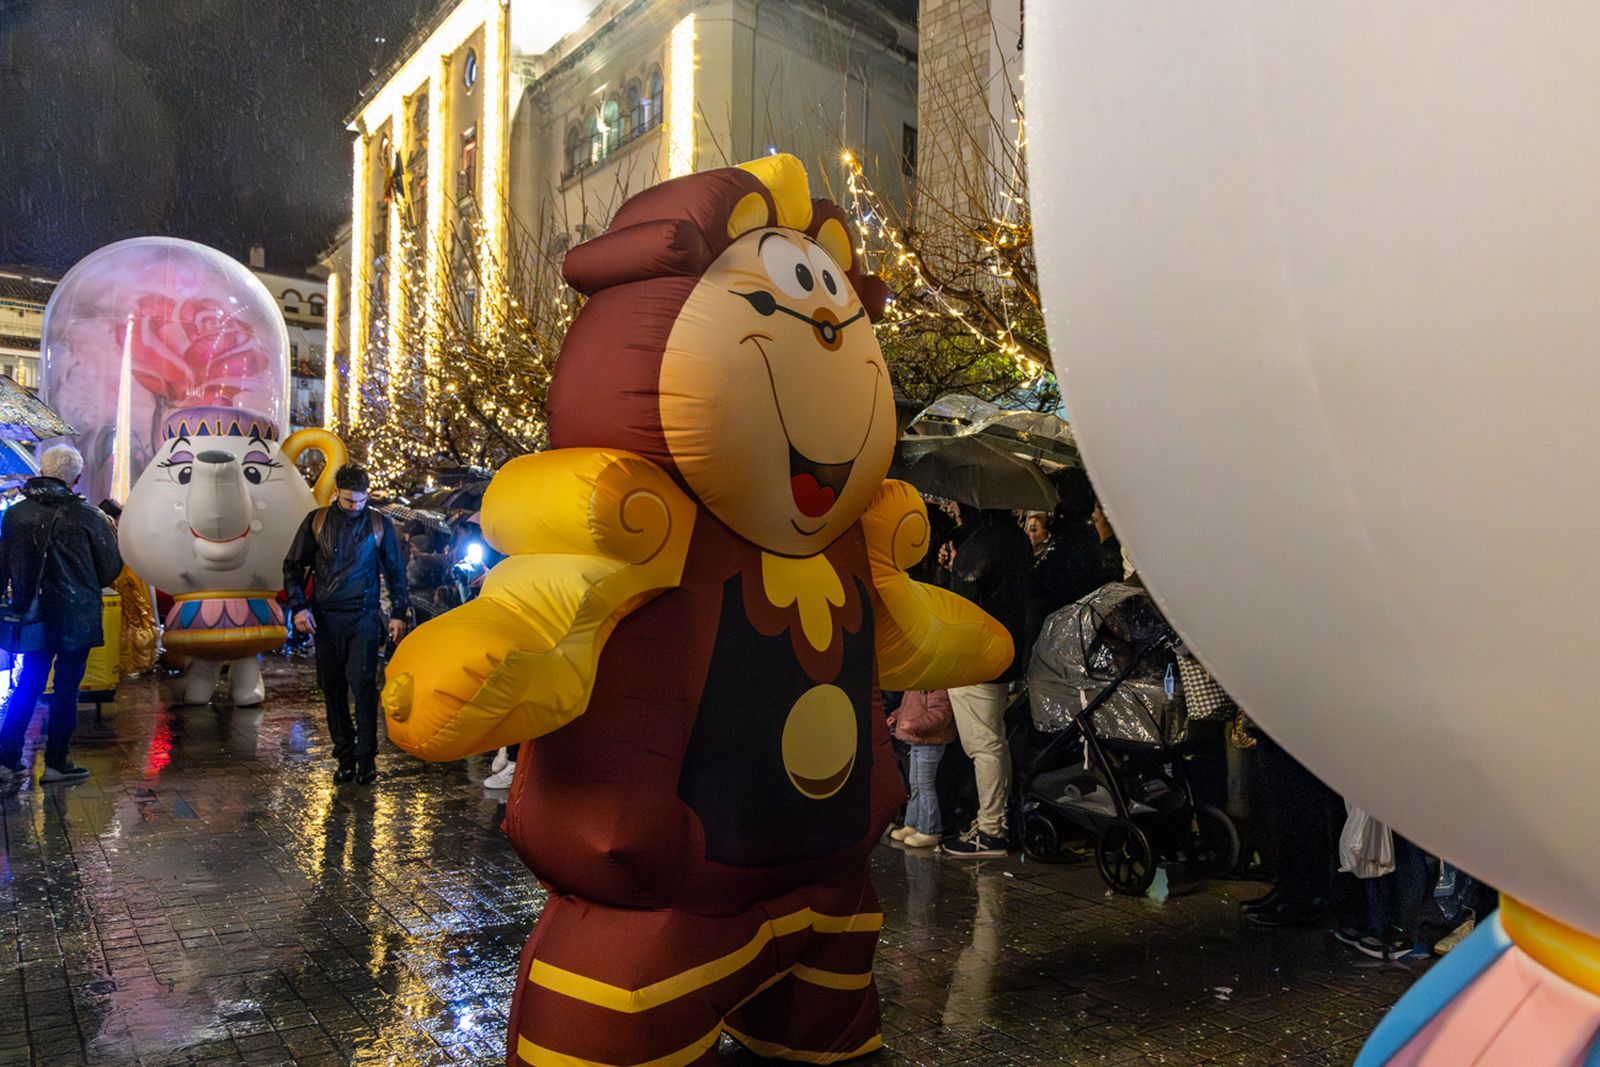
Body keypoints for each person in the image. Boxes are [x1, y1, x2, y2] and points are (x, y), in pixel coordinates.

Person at [0, 445, 122, 789]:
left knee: (28, 686)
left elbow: (2, 568)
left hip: (32, 614)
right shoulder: (89, 517)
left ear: (41, 469)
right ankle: (56, 764)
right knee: (66, 690)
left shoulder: (15, 515)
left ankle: (6, 761)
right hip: (76, 618)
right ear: (77, 478)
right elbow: (109, 570)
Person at [282, 465, 409, 786]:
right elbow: (293, 565)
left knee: (364, 687)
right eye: (349, 501)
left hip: (363, 616)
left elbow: (396, 571)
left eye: (361, 501)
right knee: (332, 688)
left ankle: (366, 759)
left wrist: (399, 612)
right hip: (325, 618)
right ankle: (345, 757)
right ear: (336, 492)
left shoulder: (379, 523)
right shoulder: (317, 521)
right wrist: (298, 607)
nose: (355, 507)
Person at [939, 506, 1032, 857]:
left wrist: (952, 569)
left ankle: (991, 829)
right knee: (995, 741)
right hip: (1005, 652)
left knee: (984, 744)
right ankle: (996, 821)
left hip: (974, 658)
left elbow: (961, 605)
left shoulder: (980, 543)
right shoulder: (1018, 539)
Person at [887, 688, 955, 848]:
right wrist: (896, 716)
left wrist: (914, 725)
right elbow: (906, 708)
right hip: (916, 741)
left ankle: (929, 830)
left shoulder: (936, 689)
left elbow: (939, 717)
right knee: (915, 785)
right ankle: (912, 824)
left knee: (925, 787)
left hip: (929, 743)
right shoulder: (915, 688)